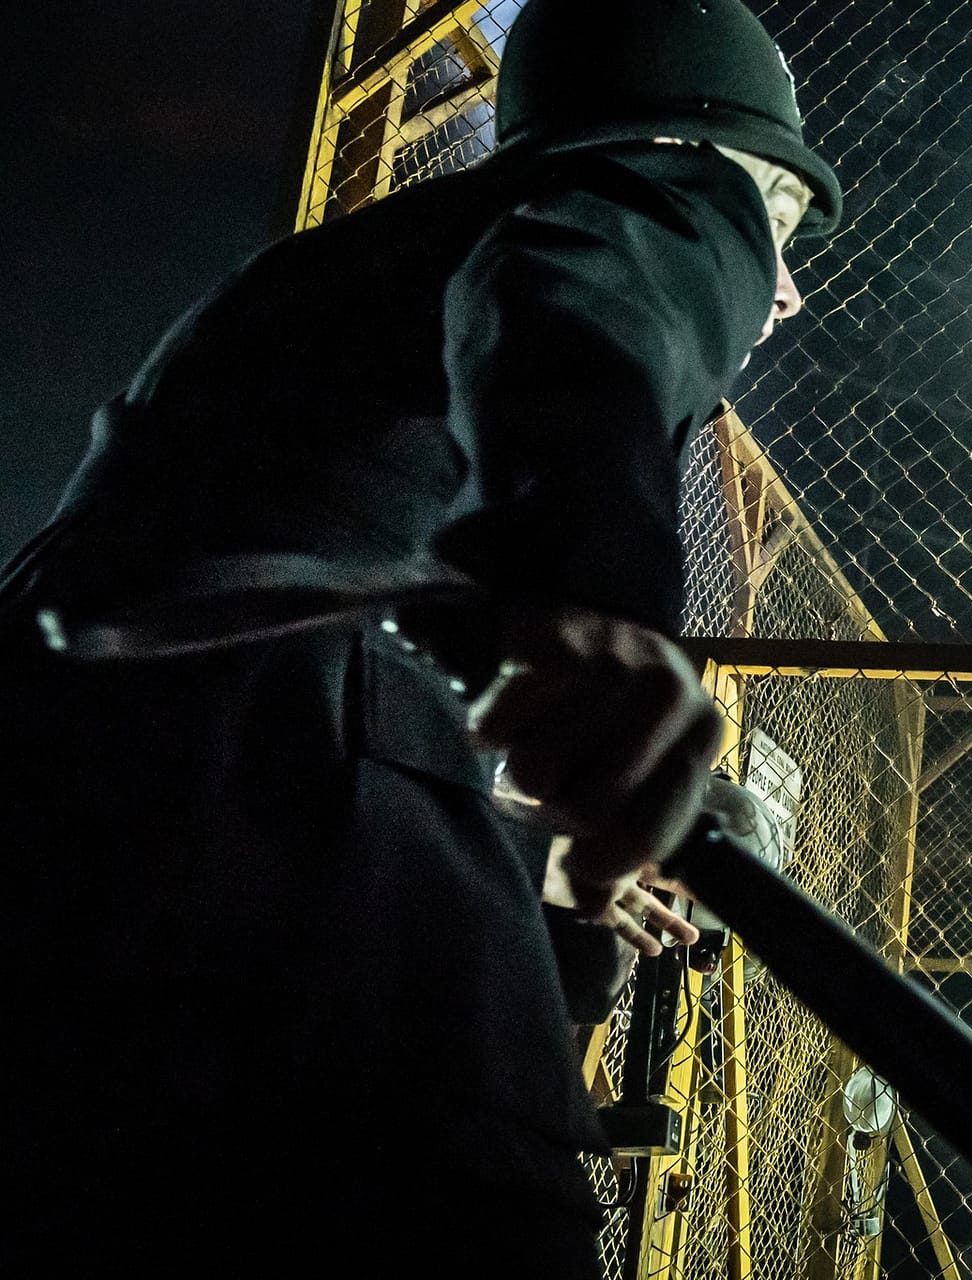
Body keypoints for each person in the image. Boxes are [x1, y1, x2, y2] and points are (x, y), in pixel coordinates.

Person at [0, 0, 840, 1270]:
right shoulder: (639, 201)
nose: (782, 286)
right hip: (258, 854)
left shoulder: (327, 299)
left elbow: (255, 654)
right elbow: (579, 304)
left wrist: (532, 863)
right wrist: (594, 605)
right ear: (684, 153)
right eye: (772, 209)